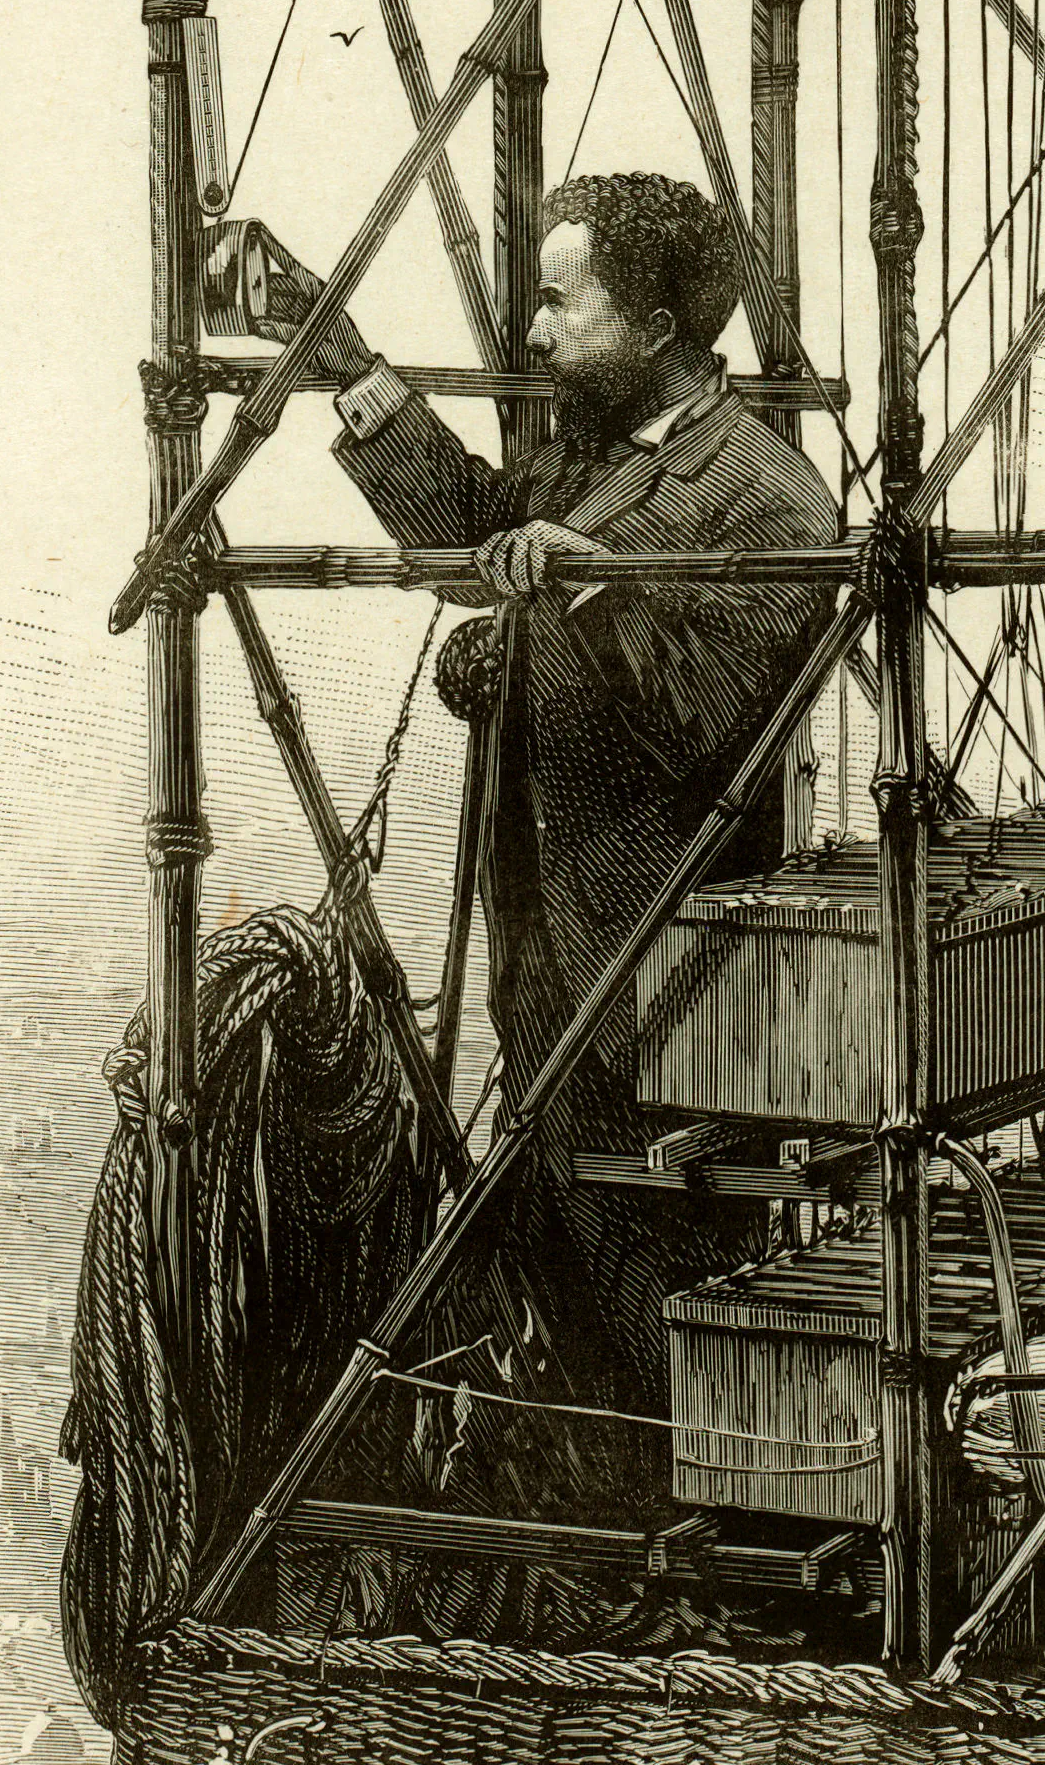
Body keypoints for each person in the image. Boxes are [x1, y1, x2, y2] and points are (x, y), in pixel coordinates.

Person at [280, 171, 841, 1433]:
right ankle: (615, 1525)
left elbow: (704, 721)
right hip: (554, 956)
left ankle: (704, 1532)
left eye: (558, 304)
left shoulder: (770, 498)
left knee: (658, 1266)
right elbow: (470, 525)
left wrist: (584, 598)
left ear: (654, 327)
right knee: (564, 1247)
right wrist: (344, 362)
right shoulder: (597, 460)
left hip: (667, 981)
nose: (532, 335)